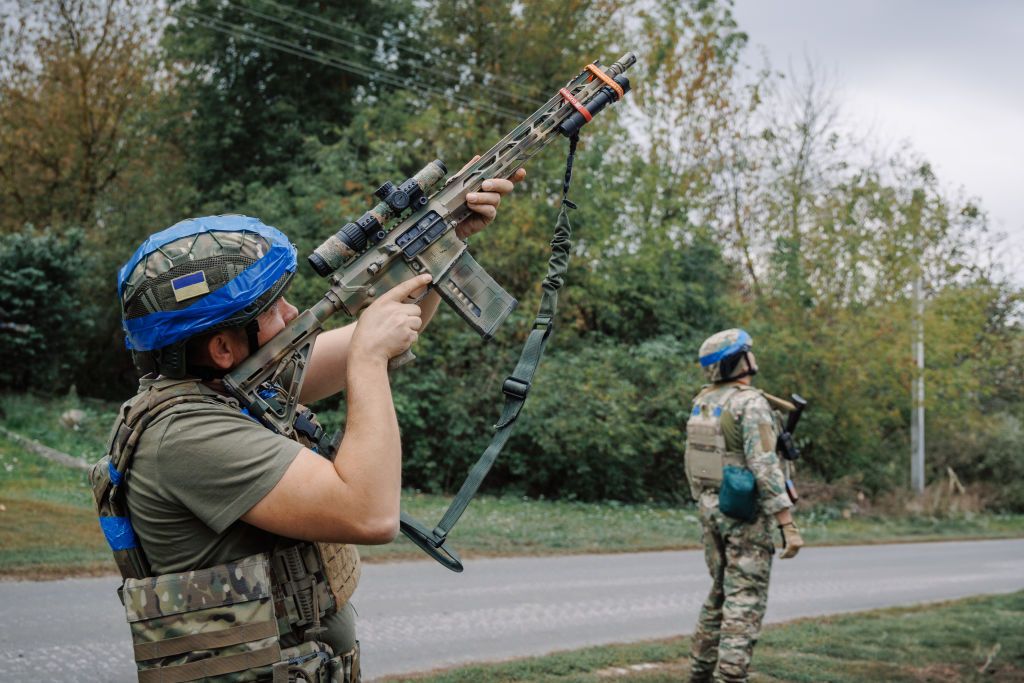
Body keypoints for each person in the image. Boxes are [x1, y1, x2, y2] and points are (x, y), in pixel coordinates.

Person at [92, 167, 524, 682]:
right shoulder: (186, 434)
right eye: (273, 309)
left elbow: (388, 332)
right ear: (223, 348)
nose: (293, 312)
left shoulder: (231, 389)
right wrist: (366, 359)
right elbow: (369, 515)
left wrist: (442, 239)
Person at [683, 328, 804, 683]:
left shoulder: (704, 400)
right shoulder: (751, 404)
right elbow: (765, 467)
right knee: (745, 598)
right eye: (748, 351)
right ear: (739, 361)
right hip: (743, 514)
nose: (753, 357)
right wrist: (787, 525)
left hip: (710, 509)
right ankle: (731, 676)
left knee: (719, 593)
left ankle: (699, 673)